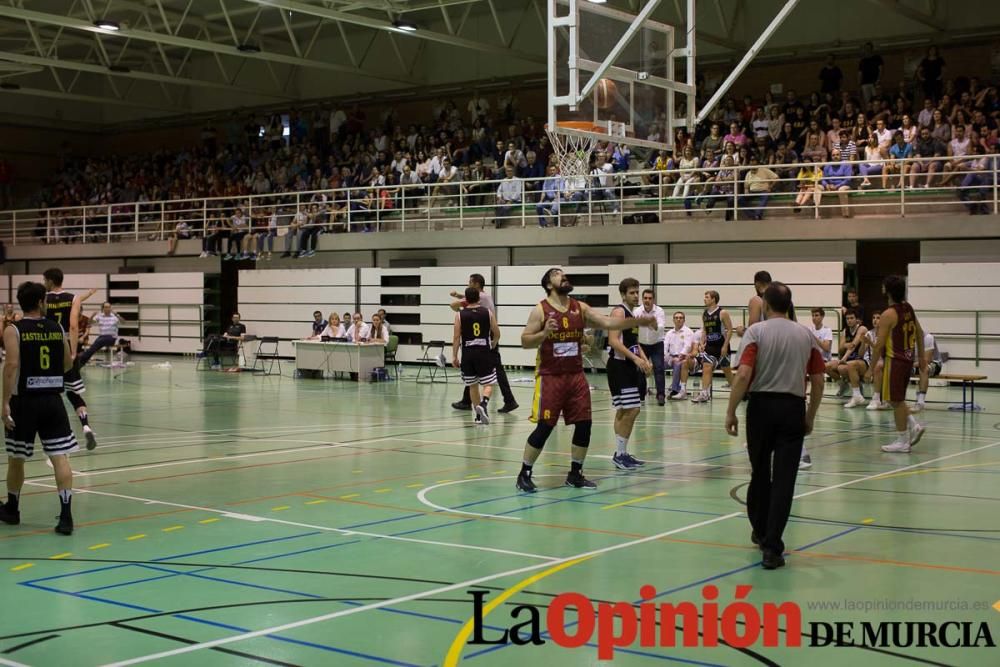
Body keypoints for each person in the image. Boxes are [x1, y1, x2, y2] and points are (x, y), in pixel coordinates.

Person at [516, 268, 654, 492]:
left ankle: (575, 473)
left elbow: (609, 323)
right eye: (557, 274)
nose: (563, 276)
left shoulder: (579, 307)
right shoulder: (540, 310)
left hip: (576, 376)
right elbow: (525, 341)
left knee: (584, 424)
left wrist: (642, 321)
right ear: (549, 284)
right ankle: (525, 473)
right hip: (551, 377)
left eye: (564, 273)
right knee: (545, 427)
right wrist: (543, 334)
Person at [725, 282, 825, 569]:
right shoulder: (806, 335)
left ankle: (759, 528)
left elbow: (743, 375)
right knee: (784, 480)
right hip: (793, 408)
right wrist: (810, 416)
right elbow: (818, 380)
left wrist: (731, 411)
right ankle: (772, 548)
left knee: (759, 473)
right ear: (789, 304)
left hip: (760, 408)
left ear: (766, 305)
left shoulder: (756, 332)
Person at [0, 281, 79, 535]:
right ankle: (66, 516)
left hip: (24, 402)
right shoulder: (56, 327)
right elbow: (67, 364)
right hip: (52, 401)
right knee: (59, 458)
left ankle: (12, 509)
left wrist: (4, 403)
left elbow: (11, 366)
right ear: (41, 302)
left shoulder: (14, 329)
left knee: (17, 458)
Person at [870, 275, 927, 453]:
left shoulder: (888, 314)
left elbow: (879, 345)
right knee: (895, 399)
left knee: (895, 400)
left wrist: (871, 368)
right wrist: (923, 357)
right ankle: (913, 425)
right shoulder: (908, 308)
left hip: (895, 361)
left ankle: (903, 441)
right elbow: (919, 332)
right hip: (908, 360)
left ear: (888, 290)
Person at [42, 268, 96, 450]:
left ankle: (56, 435)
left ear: (49, 281)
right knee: (73, 393)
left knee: (49, 392)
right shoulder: (73, 298)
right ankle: (86, 426)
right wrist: (73, 352)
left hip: (48, 346)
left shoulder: (44, 298)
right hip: (66, 347)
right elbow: (73, 326)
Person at [449, 274, 517, 414]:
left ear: (476, 284)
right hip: (487, 336)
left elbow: (456, 305)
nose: (468, 284)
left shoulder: (482, 297)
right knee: (474, 369)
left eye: (470, 282)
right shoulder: (485, 296)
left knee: (496, 369)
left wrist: (458, 303)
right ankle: (467, 400)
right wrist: (458, 295)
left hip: (487, 337)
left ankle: (509, 400)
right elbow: (470, 297)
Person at [607, 279, 653, 470]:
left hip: (628, 366)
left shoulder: (632, 314)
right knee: (632, 409)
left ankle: (622, 453)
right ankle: (619, 454)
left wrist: (644, 359)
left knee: (625, 410)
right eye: (632, 293)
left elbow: (634, 342)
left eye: (637, 292)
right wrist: (635, 360)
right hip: (619, 366)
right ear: (623, 294)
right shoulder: (619, 312)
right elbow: (613, 341)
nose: (636, 296)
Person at [452, 288, 501, 425]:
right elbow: (497, 333)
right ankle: (484, 404)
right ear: (479, 298)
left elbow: (456, 337)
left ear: (465, 300)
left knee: (472, 385)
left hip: (468, 353)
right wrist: (493, 343)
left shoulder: (460, 315)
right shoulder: (488, 312)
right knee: (488, 383)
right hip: (483, 352)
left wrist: (454, 356)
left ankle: (479, 417)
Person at [692, 290, 734, 403]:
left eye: (707, 297)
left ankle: (737, 391)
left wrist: (725, 346)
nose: (704, 299)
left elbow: (730, 330)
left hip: (721, 346)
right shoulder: (705, 313)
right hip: (710, 346)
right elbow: (705, 330)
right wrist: (701, 342)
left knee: (727, 371)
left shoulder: (722, 312)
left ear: (713, 299)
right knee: (706, 367)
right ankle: (704, 393)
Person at [636, 289, 667, 405]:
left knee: (659, 368)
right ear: (642, 299)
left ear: (653, 299)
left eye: (650, 298)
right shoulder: (637, 311)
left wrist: (653, 325)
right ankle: (641, 396)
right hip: (642, 344)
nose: (647, 300)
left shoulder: (659, 311)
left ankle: (660, 395)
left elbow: (661, 327)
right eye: (645, 298)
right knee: (640, 369)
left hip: (656, 344)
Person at [835, 308, 870, 407]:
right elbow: (840, 348)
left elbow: (853, 345)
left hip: (863, 360)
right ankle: (844, 385)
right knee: (830, 366)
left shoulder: (862, 328)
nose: (849, 320)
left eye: (851, 318)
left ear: (857, 319)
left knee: (848, 365)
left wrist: (843, 359)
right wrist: (846, 345)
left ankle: (857, 395)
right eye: (847, 318)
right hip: (851, 360)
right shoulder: (845, 331)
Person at [665, 311, 697, 400]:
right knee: (656, 365)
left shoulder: (688, 332)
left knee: (678, 364)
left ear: (684, 320)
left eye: (680, 318)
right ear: (673, 320)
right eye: (676, 318)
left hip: (682, 357)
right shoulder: (669, 333)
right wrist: (665, 356)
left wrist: (679, 357)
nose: (678, 319)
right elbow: (665, 346)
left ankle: (675, 390)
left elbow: (687, 346)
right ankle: (658, 390)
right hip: (670, 357)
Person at [912, 331, 942, 413]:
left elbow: (927, 360)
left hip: (933, 363)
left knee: (924, 368)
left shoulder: (927, 337)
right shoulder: (906, 338)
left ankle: (921, 402)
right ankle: (893, 400)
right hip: (915, 364)